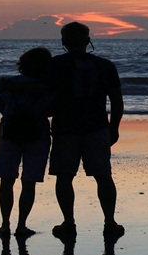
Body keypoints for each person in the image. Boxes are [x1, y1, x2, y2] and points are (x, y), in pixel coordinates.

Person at [47, 22, 125, 240]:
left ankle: (68, 222)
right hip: (96, 127)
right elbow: (117, 100)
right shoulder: (105, 66)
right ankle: (110, 222)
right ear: (87, 41)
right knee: (103, 175)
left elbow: (45, 98)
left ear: (64, 42)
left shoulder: (55, 65)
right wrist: (114, 127)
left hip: (65, 128)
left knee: (64, 177)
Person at [0, 47, 54, 237]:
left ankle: (5, 225)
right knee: (29, 182)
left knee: (6, 180)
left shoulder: (7, 83)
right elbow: (50, 110)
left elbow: (3, 108)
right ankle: (21, 226)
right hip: (37, 134)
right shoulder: (48, 87)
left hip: (9, 133)